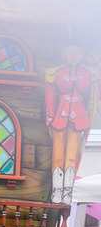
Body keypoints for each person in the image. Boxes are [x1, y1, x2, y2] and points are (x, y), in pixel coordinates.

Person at [44, 43, 100, 203]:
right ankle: (57, 190)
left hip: (79, 118)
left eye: (76, 52)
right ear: (64, 54)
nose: (73, 55)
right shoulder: (55, 73)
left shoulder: (91, 73)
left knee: (71, 156)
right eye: (69, 52)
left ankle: (67, 190)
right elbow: (50, 97)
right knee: (58, 156)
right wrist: (50, 118)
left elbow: (96, 96)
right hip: (59, 118)